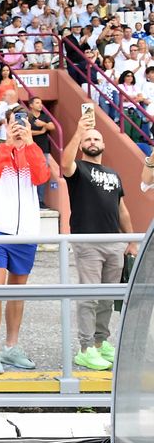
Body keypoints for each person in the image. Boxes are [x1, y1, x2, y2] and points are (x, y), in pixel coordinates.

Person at [61, 114, 137, 371]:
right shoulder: (78, 170)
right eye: (88, 139)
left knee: (107, 298)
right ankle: (85, 349)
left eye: (96, 138)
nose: (93, 141)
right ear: (82, 145)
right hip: (88, 242)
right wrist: (78, 130)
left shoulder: (113, 174)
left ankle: (101, 341)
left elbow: (122, 209)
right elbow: (65, 163)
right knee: (89, 297)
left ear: (104, 145)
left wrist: (131, 240)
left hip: (114, 242)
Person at [0, 107, 50, 374]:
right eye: (14, 122)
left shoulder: (33, 151)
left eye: (23, 122)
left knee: (18, 293)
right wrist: (9, 144)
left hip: (27, 231)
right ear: (5, 125)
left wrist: (29, 145)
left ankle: (12, 347)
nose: (19, 126)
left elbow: (42, 177)